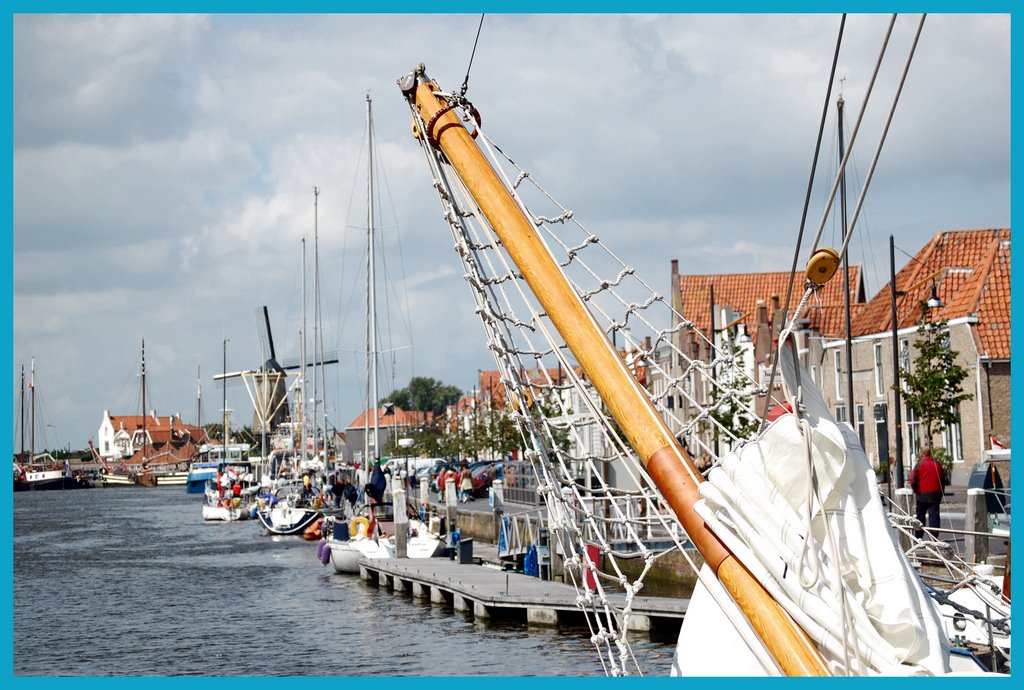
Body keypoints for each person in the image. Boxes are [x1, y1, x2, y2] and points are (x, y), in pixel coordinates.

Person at [909, 448, 944, 539]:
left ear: (922, 454)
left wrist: (915, 489)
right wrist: (941, 493)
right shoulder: (937, 465)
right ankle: (934, 538)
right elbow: (942, 480)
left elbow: (912, 480)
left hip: (922, 494)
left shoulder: (919, 465)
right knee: (934, 516)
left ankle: (919, 537)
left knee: (920, 516)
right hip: (935, 494)